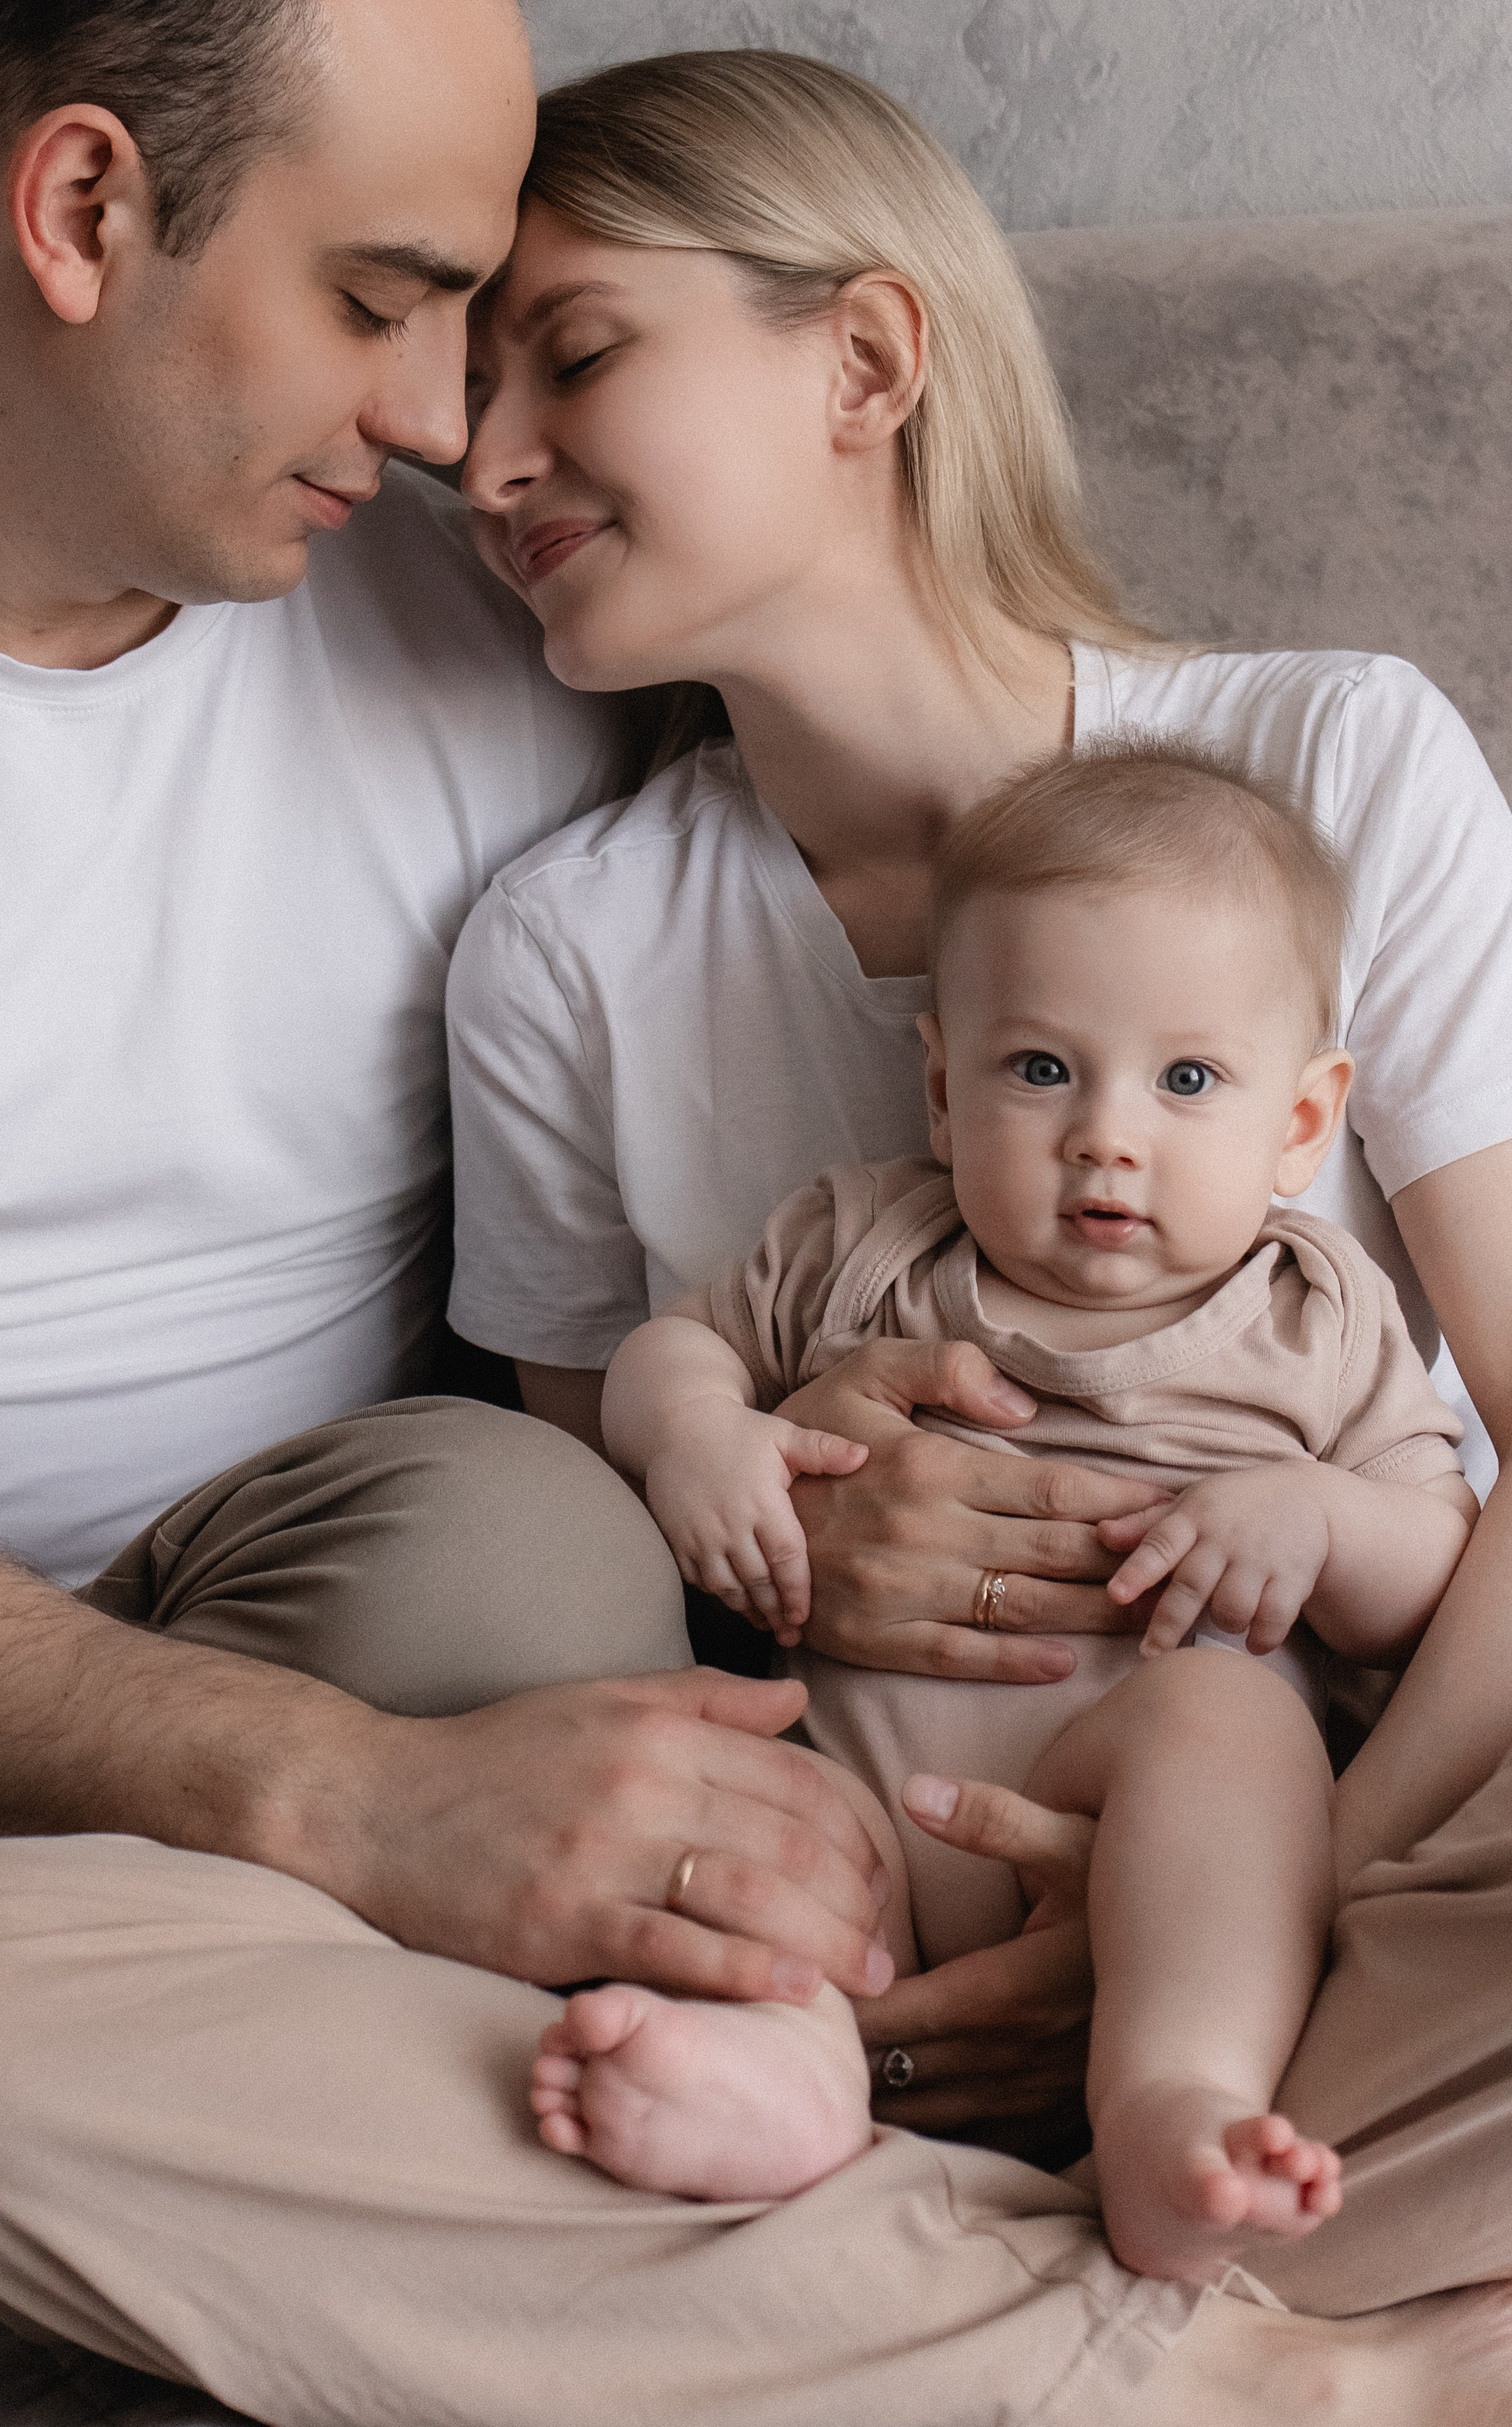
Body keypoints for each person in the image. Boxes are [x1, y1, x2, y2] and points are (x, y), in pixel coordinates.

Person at [0, 35, 1512, 2424]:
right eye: (462, 379)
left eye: (569, 358)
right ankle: (1258, 2357)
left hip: (1361, 1879)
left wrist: (1269, 1912)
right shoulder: (568, 948)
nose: (469, 458)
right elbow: (612, 1614)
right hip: (868, 1894)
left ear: (867, 360)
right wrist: (797, 1499)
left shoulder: (1330, 768)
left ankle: (1079, 2246)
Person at [0, 0, 893, 2321]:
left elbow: (936, 816)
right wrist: (361, 1811)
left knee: (518, 1535)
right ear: (81, 210)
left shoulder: (495, 597)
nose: (439, 419)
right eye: (381, 295)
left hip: (340, 1604)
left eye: (484, 317)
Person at [564, 741, 1473, 2286]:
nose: (1104, 1135)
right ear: (941, 1080)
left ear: (1304, 1125)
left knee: (1230, 1736)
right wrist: (701, 1435)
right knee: (740, 1809)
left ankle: (1171, 2105)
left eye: (1188, 1082)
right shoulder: (862, 1243)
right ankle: (795, 2071)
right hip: (863, 1789)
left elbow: (1439, 1556)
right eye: (1040, 1068)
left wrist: (1322, 1519)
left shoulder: (1316, 1313)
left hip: (1148, 1805)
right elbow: (675, 1352)